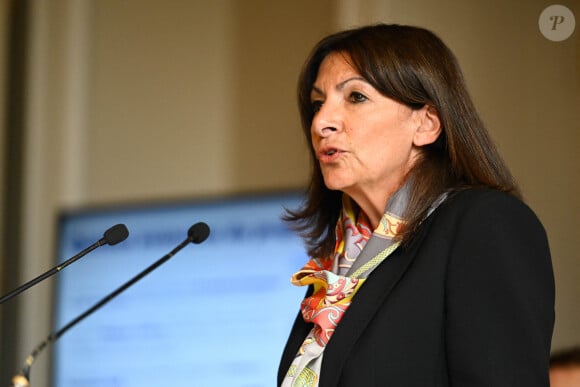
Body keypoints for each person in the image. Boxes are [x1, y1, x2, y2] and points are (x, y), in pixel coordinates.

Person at [277, 23, 554, 387]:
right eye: (317, 104)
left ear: (426, 124)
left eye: (356, 97)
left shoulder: (484, 225)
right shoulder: (339, 269)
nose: (322, 122)